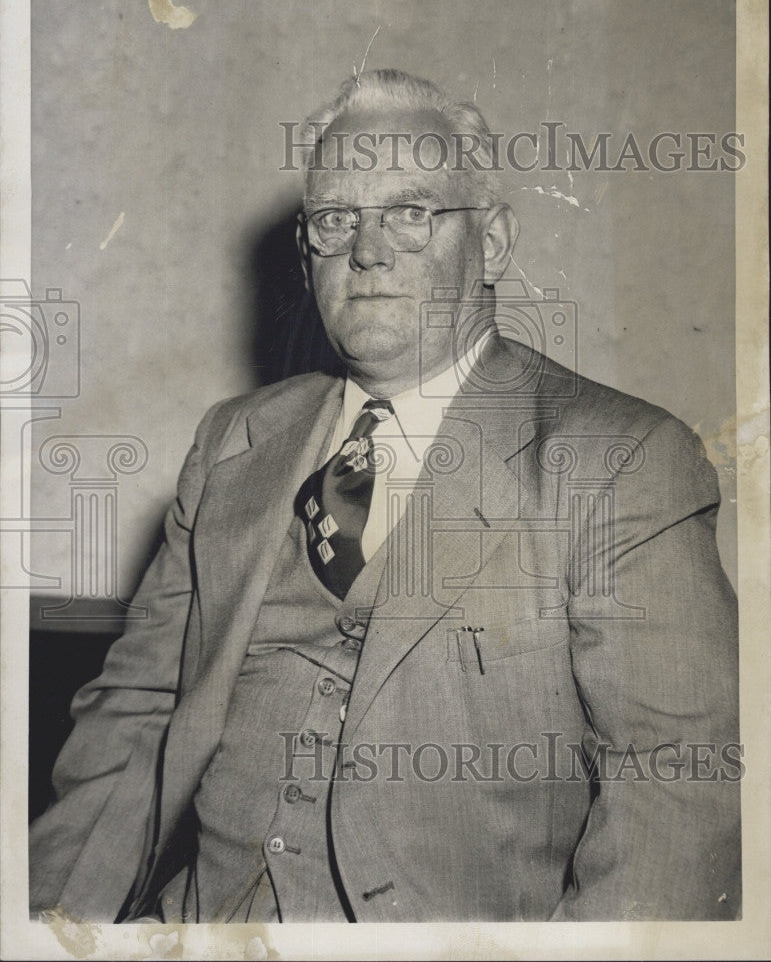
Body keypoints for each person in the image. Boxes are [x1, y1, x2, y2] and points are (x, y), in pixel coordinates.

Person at [29, 69, 740, 923]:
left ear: (496, 244)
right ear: (307, 251)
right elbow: (135, 714)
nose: (368, 251)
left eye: (411, 212)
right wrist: (45, 929)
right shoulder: (232, 441)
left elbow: (675, 788)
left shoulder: (621, 459)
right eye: (336, 219)